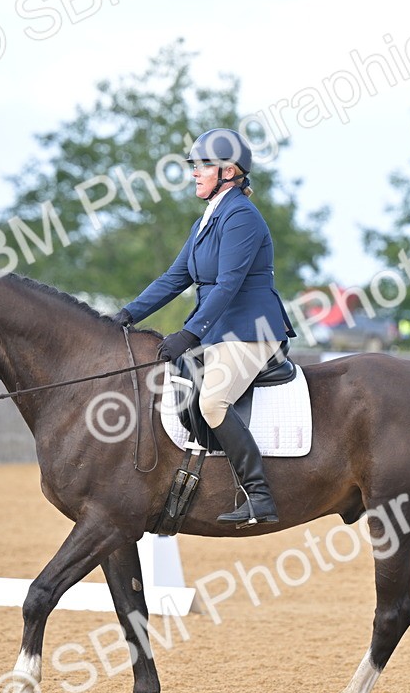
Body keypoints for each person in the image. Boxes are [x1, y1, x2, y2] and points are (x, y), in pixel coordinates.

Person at [111, 128, 295, 526]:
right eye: (194, 165)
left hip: (252, 331)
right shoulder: (206, 221)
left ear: (228, 171)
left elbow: (228, 285)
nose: (194, 172)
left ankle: (260, 496)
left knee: (213, 402)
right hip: (220, 332)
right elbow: (174, 278)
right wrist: (125, 315)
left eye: (202, 166)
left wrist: (190, 333)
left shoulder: (242, 217)